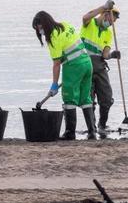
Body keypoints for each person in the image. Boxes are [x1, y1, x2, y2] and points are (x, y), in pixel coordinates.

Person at [33, 11, 95, 140]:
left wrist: (54, 85)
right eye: (38, 29)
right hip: (87, 64)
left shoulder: (53, 37)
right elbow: (69, 49)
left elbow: (56, 64)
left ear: (45, 24)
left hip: (74, 67)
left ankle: (70, 132)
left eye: (40, 28)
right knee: (85, 98)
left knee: (69, 98)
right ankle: (92, 132)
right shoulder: (65, 25)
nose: (40, 32)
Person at [81, 0, 121, 136]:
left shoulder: (108, 33)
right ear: (105, 14)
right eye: (111, 20)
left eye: (113, 22)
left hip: (100, 66)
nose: (110, 24)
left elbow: (105, 54)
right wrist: (103, 7)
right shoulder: (89, 23)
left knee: (107, 98)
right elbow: (85, 17)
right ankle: (91, 128)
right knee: (89, 99)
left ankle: (102, 125)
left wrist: (112, 55)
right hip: (85, 66)